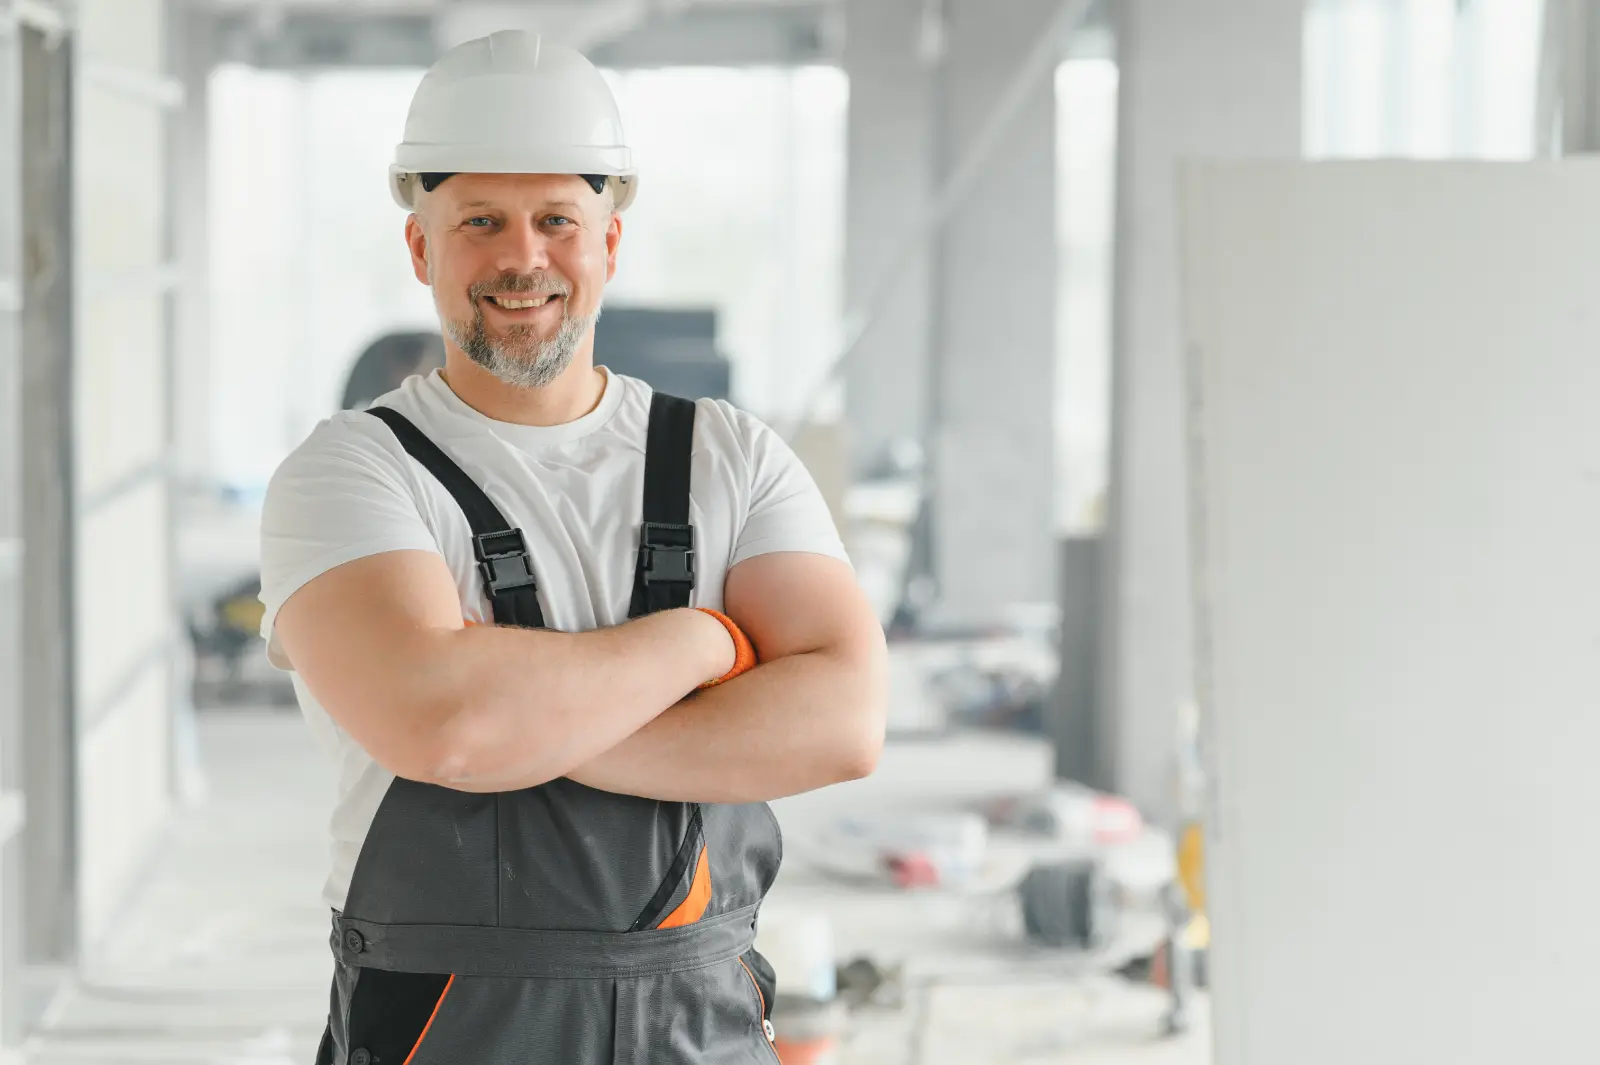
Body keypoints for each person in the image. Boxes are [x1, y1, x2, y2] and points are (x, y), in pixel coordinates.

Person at [258, 29, 887, 1065]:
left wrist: (524, 730)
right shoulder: (350, 476)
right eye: (480, 222)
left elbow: (843, 722)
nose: (522, 257)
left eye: (557, 218)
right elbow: (447, 725)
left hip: (703, 1020)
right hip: (447, 1025)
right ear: (420, 247)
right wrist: (700, 645)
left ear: (610, 243)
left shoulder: (732, 457)